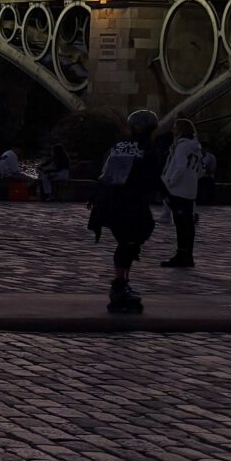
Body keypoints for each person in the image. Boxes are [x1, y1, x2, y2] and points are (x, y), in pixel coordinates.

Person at [88, 109, 159, 313]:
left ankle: (122, 283)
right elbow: (150, 177)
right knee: (131, 241)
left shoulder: (117, 146)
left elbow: (102, 170)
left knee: (125, 242)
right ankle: (120, 285)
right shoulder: (147, 149)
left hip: (108, 201)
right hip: (129, 203)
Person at [158, 117, 207, 268]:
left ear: (180, 129)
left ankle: (181, 255)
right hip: (190, 189)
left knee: (180, 224)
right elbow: (201, 169)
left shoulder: (182, 146)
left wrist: (170, 182)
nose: (172, 129)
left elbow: (180, 166)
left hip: (178, 189)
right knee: (187, 223)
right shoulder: (196, 146)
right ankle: (187, 254)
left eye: (175, 127)